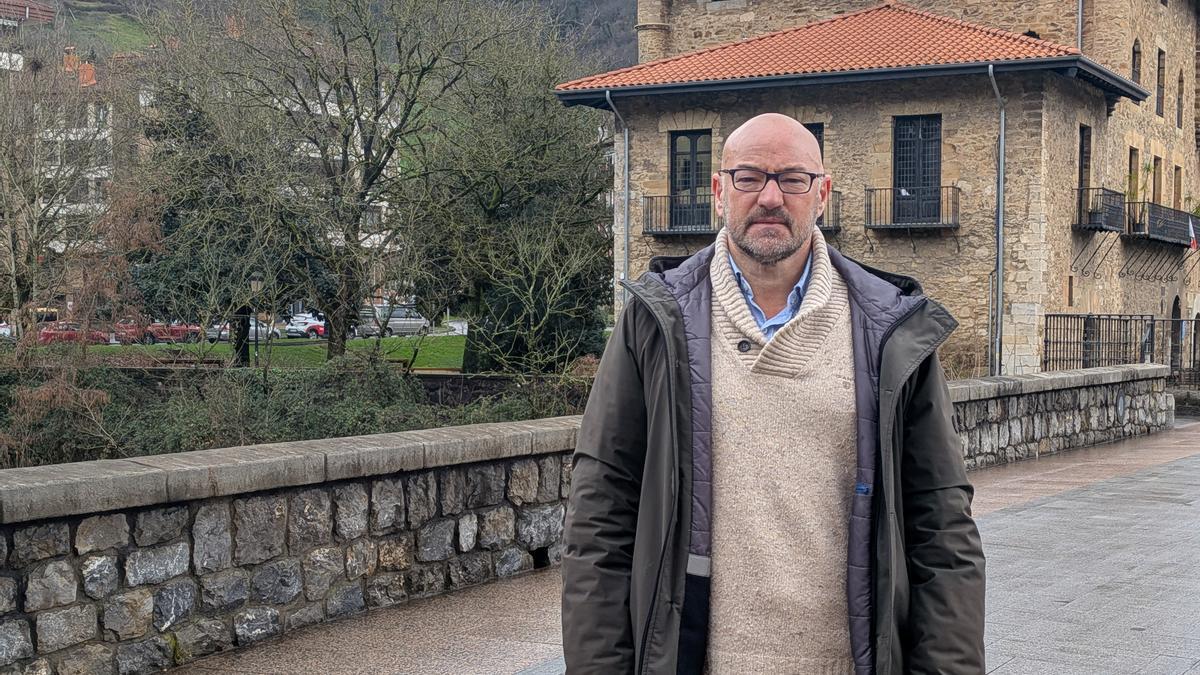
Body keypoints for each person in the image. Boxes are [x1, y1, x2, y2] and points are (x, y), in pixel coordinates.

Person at [561, 113, 985, 674]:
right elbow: (600, 518)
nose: (769, 196)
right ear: (718, 192)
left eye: (792, 179)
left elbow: (942, 529)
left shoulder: (889, 330)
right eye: (748, 177)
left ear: (823, 193)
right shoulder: (653, 325)